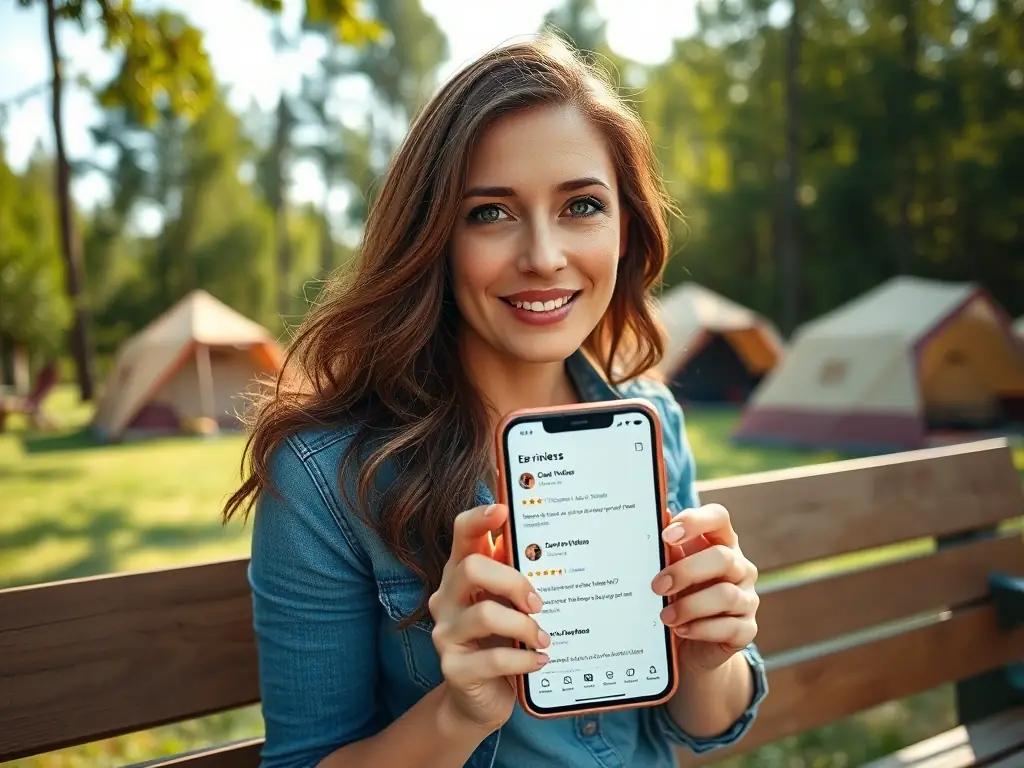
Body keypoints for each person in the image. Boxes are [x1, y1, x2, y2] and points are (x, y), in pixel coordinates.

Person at [225, 34, 767, 768]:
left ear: (625, 227)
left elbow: (703, 724)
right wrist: (459, 713)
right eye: (491, 213)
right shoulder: (323, 478)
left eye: (581, 205)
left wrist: (710, 658)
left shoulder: (650, 423)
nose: (544, 255)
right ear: (434, 236)